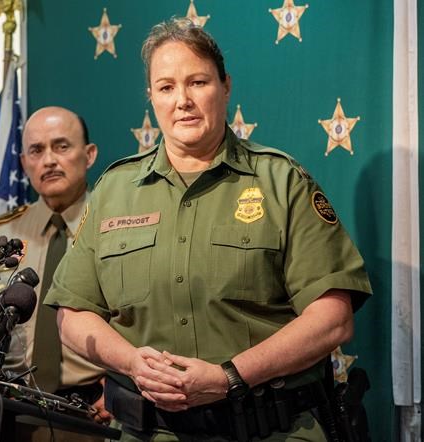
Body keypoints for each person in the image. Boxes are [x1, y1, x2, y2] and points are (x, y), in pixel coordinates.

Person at [44, 18, 372, 441]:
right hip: (147, 432)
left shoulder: (282, 182)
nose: (182, 101)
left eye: (197, 82)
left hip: (268, 430)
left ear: (225, 86)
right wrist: (131, 363)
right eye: (166, 87)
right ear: (151, 97)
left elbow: (332, 320)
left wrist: (228, 376)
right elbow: (73, 314)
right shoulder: (113, 190)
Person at [0, 106, 111, 440]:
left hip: (92, 413)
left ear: (89, 154)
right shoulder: (0, 236)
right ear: (24, 163)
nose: (49, 160)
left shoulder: (117, 227)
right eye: (37, 151)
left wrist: (122, 387)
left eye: (61, 146)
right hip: (10, 409)